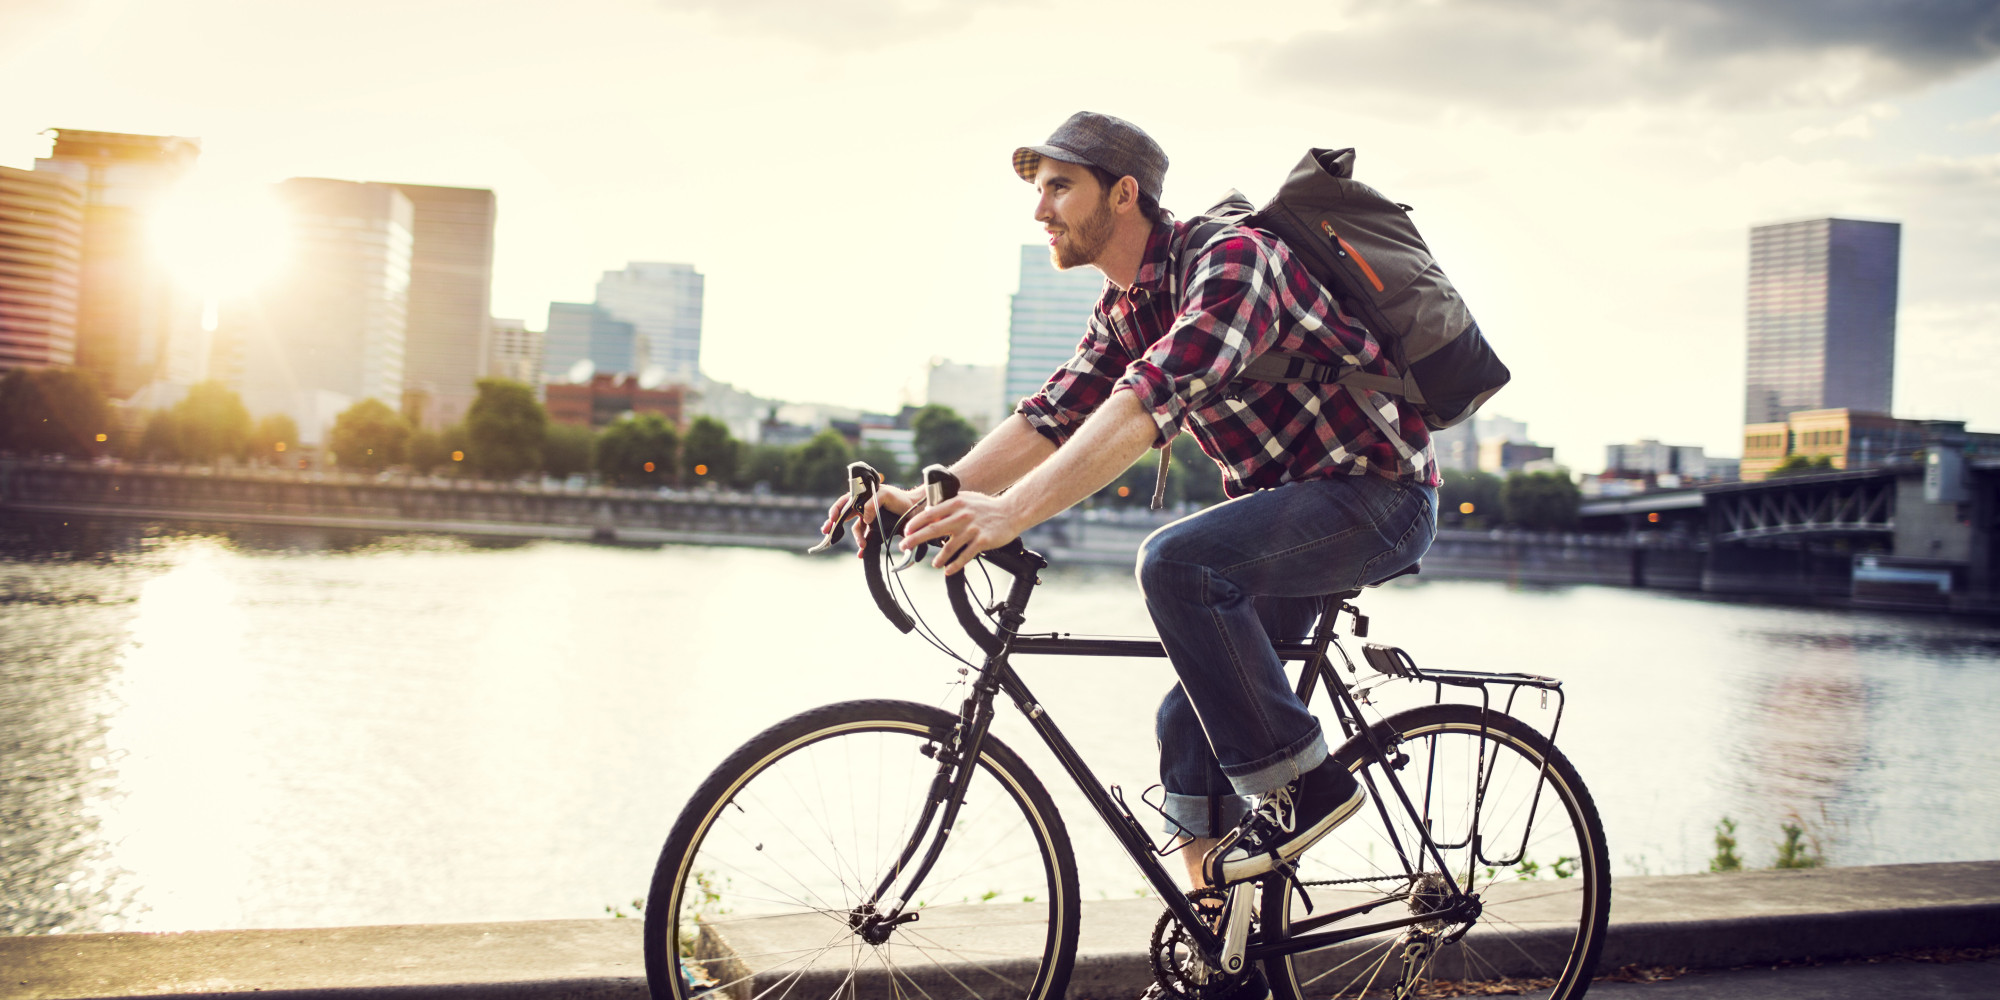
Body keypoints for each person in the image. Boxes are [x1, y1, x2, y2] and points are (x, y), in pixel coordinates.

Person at [825, 109, 1437, 904]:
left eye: (1058, 188)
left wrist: (1008, 513)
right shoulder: (1125, 308)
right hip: (1285, 517)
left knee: (1176, 563)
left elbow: (1146, 404)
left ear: (1123, 195)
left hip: (1376, 500)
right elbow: (1050, 416)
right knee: (1190, 725)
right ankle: (1228, 959)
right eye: (1038, 190)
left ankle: (1312, 789)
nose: (1039, 209)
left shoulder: (1234, 260)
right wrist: (936, 493)